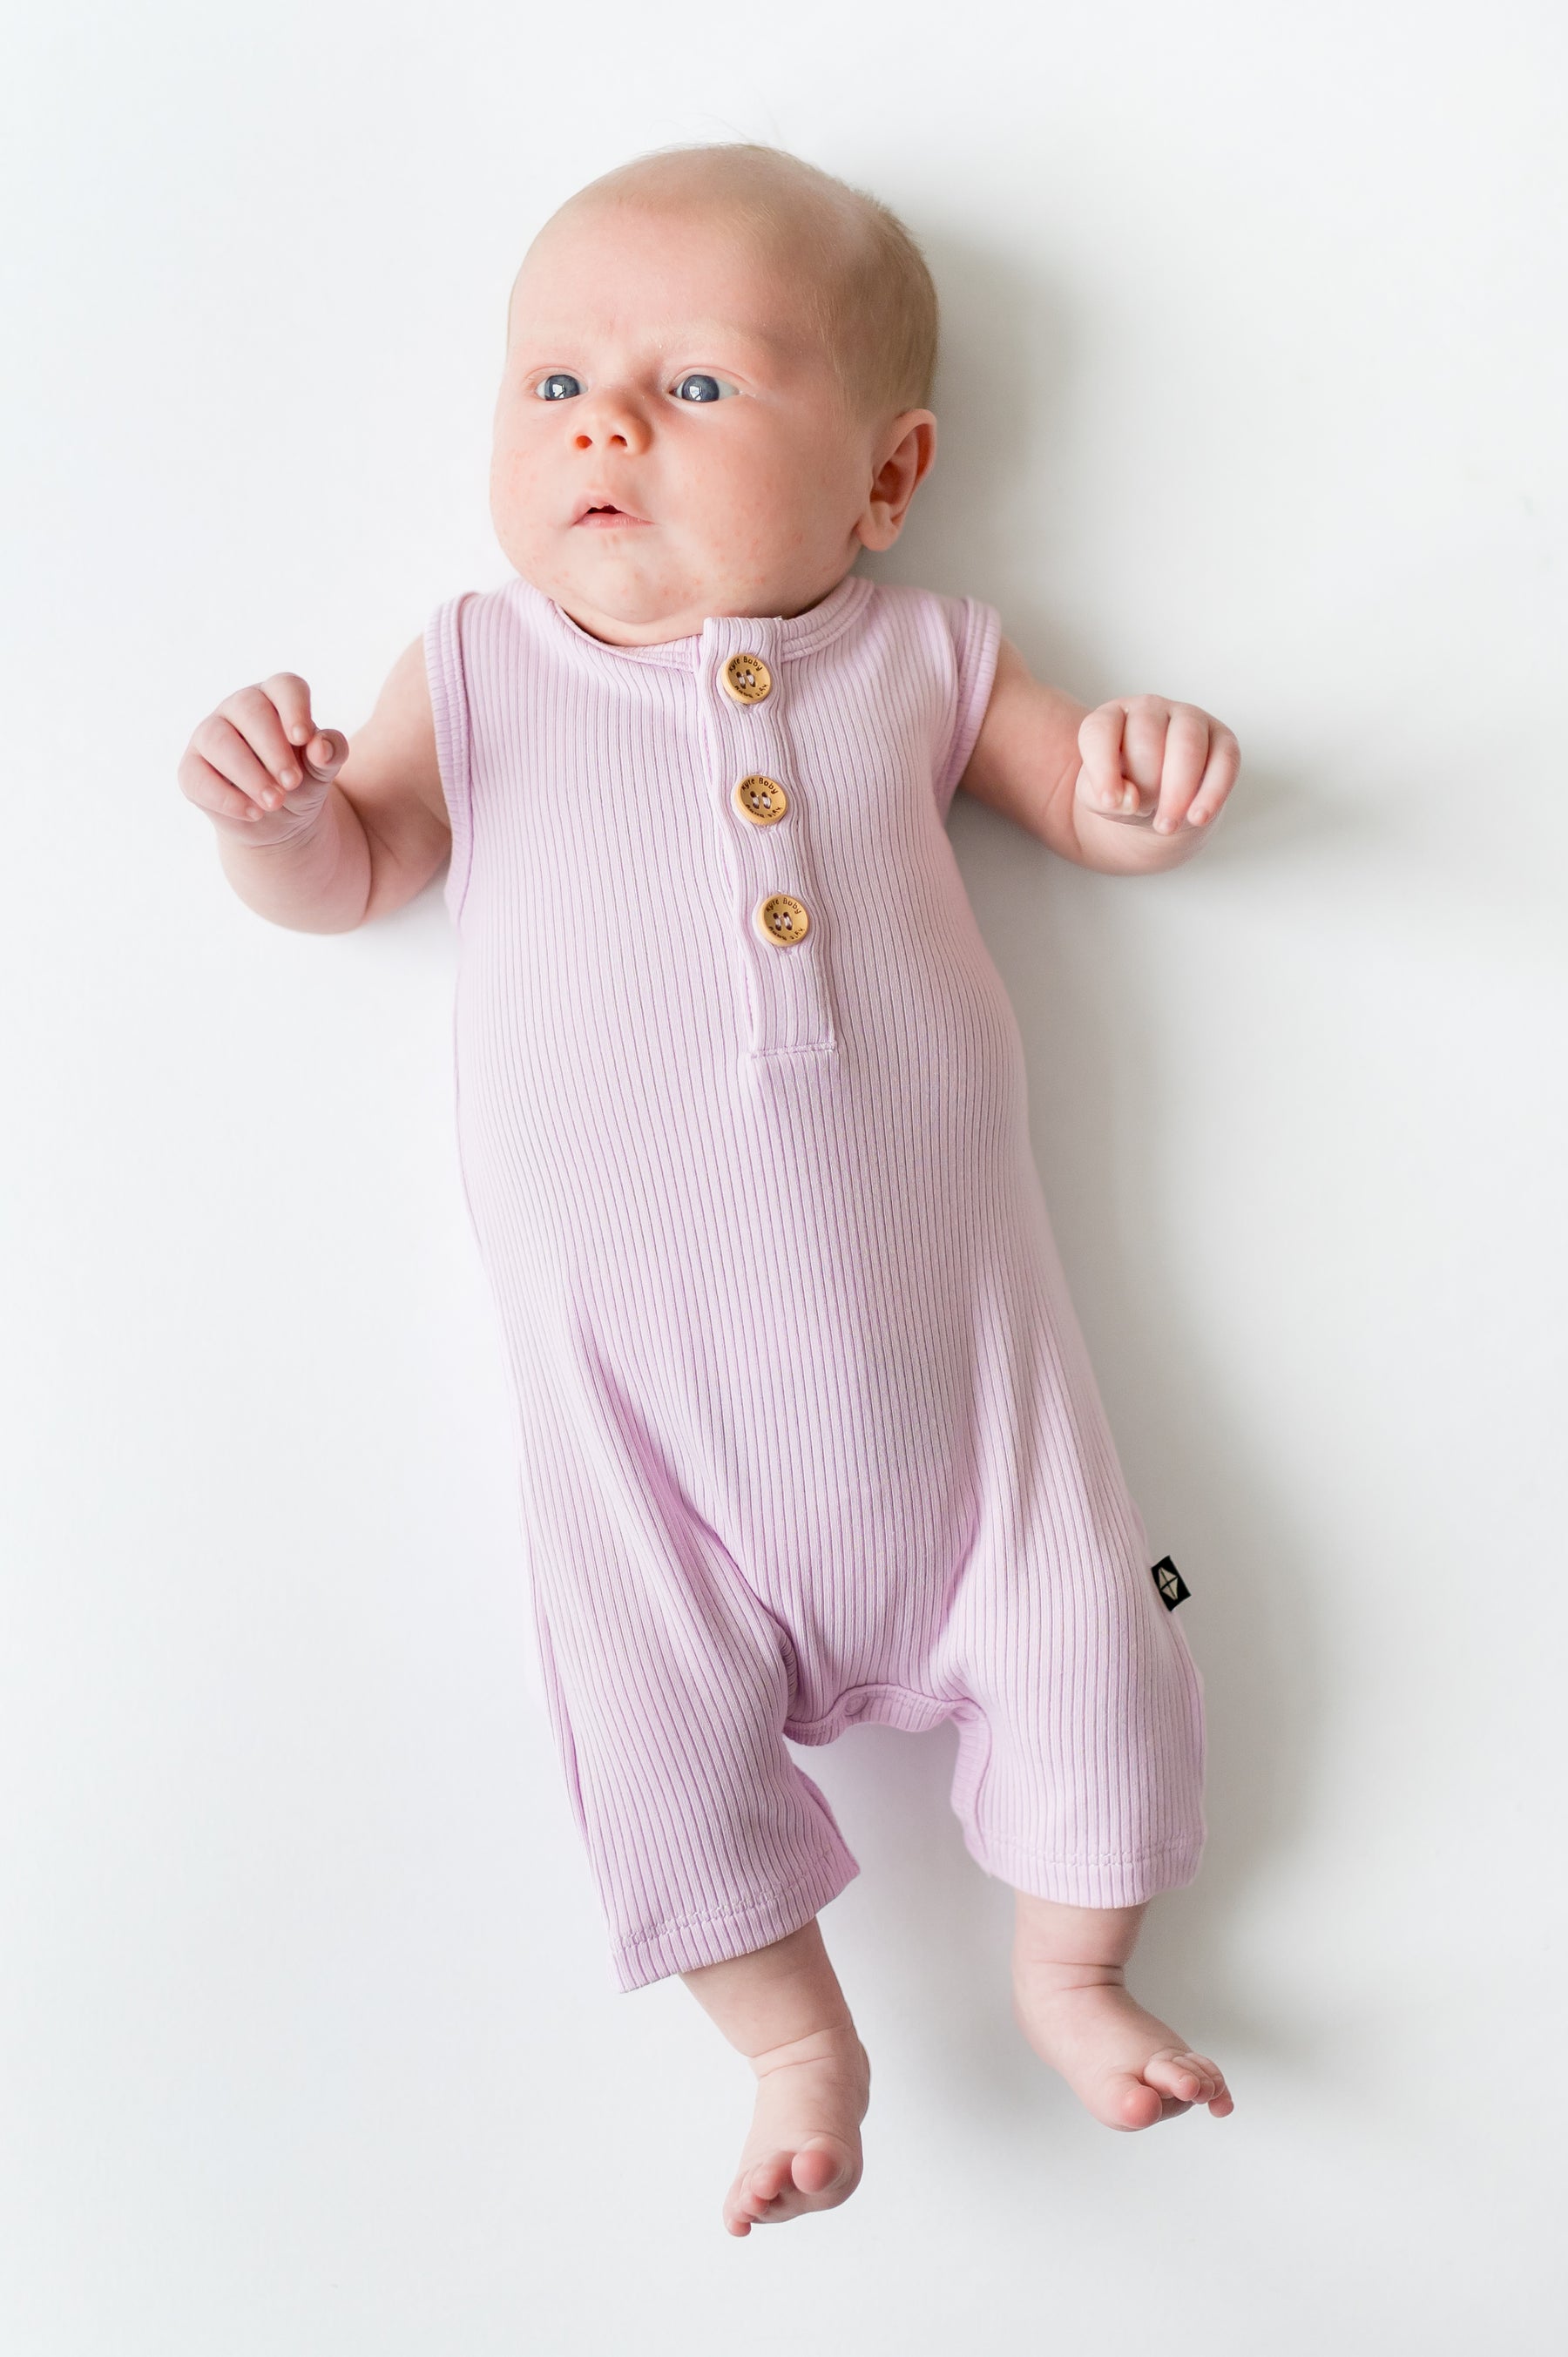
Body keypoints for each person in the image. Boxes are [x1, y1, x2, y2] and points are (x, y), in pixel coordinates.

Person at [178, 140, 1240, 2239]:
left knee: (1106, 1656)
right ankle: (790, 2041)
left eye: (696, 387)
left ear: (883, 473)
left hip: (978, 1419)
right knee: (651, 1755)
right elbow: (359, 872)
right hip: (640, 1450)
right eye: (555, 385)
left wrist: (1130, 780)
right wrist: (277, 822)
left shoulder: (926, 658)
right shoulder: (477, 672)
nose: (605, 431)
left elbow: (1081, 810)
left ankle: (1075, 1969)